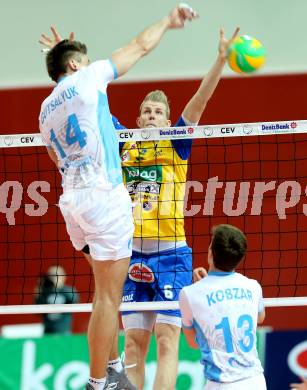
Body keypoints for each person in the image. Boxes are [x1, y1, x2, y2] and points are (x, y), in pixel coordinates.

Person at [38, 6, 198, 390]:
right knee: (108, 298)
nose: (94, 65)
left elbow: (54, 158)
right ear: (77, 65)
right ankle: (100, 382)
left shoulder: (45, 110)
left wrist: (60, 52)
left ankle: (112, 367)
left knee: (102, 290)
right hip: (103, 199)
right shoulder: (89, 78)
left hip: (72, 202)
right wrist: (167, 22)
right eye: (87, 61)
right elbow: (139, 46)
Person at [112, 27, 239, 390]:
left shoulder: (176, 142)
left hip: (171, 255)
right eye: (146, 112)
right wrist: (73, 72)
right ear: (137, 121)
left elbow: (199, 100)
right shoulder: (123, 141)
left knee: (167, 341)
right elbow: (94, 103)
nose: (152, 116)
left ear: (167, 122)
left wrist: (220, 60)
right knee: (134, 346)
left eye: (158, 112)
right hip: (131, 254)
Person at [179, 224, 267, 390]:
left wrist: (202, 290)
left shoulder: (190, 294)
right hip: (256, 381)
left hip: (222, 384)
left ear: (211, 253)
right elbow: (260, 317)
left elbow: (192, 341)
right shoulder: (253, 286)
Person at [34, 265, 79, 334]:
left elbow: (74, 301)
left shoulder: (69, 290)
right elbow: (37, 309)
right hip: (48, 332)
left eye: (56, 275)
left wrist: (59, 287)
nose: (54, 278)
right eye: (51, 275)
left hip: (64, 331)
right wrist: (38, 291)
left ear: (63, 276)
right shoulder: (45, 292)